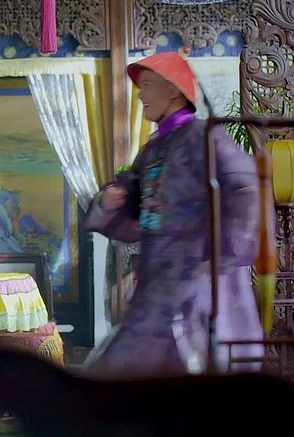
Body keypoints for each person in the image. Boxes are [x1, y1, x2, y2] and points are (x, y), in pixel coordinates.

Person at [82, 51, 264, 378]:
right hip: (159, 273)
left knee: (193, 362)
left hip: (200, 274)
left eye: (147, 85)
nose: (141, 94)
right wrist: (110, 201)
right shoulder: (153, 150)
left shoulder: (205, 136)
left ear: (174, 90)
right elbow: (134, 199)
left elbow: (244, 189)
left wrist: (221, 256)